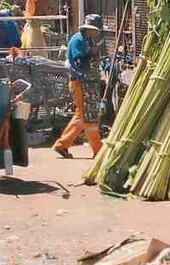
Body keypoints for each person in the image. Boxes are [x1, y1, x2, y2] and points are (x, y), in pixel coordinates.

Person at [52, 13, 102, 159]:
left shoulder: (86, 39)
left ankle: (62, 145)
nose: (97, 32)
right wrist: (91, 53)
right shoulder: (78, 40)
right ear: (89, 29)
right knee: (86, 115)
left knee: (82, 114)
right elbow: (79, 61)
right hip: (79, 81)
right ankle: (97, 149)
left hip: (85, 82)